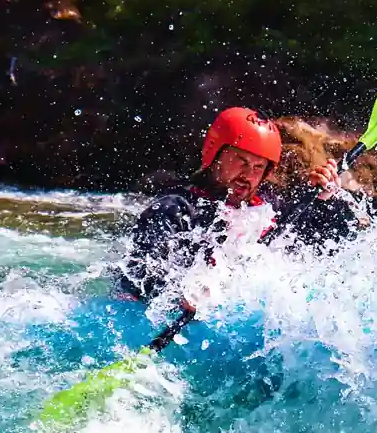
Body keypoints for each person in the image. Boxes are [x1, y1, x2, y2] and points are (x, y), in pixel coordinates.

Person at [118, 107, 362, 303]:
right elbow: (136, 273)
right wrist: (181, 295)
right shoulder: (174, 208)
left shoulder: (269, 208)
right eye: (241, 161)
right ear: (214, 157)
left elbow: (332, 245)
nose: (248, 175)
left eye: (258, 167)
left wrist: (325, 200)